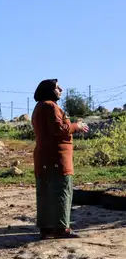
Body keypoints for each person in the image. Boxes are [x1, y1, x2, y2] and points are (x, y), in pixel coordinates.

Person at [31, 79, 88, 239]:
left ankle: (47, 228)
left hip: (44, 158)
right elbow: (58, 129)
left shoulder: (39, 107)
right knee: (62, 192)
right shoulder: (50, 106)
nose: (61, 89)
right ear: (49, 90)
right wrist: (76, 126)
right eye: (57, 87)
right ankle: (61, 228)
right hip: (57, 158)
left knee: (46, 194)